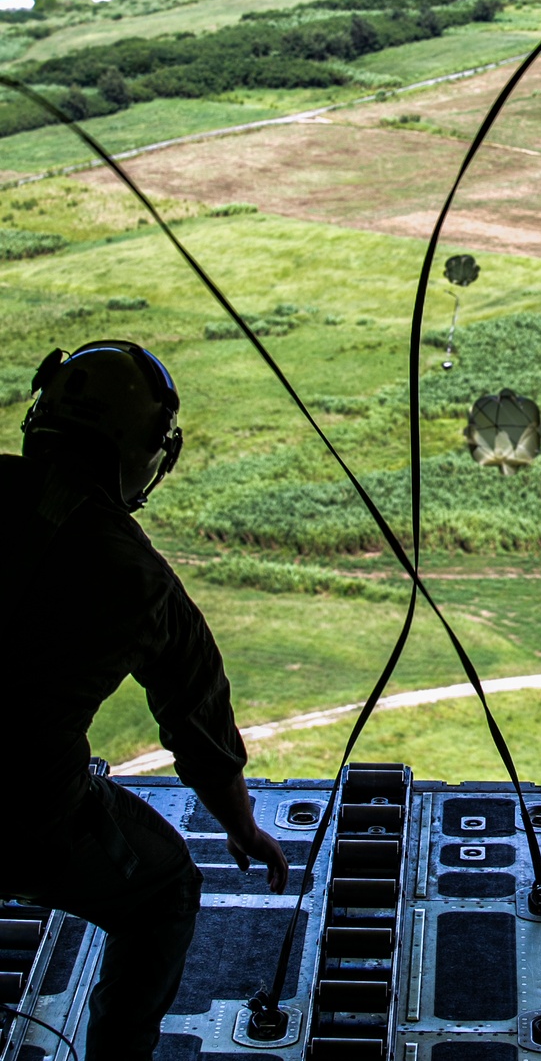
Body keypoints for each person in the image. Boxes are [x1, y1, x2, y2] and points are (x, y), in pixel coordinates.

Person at [0, 340, 289, 1061]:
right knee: (161, 893)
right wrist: (242, 825)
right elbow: (200, 724)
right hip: (20, 816)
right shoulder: (134, 577)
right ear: (141, 452)